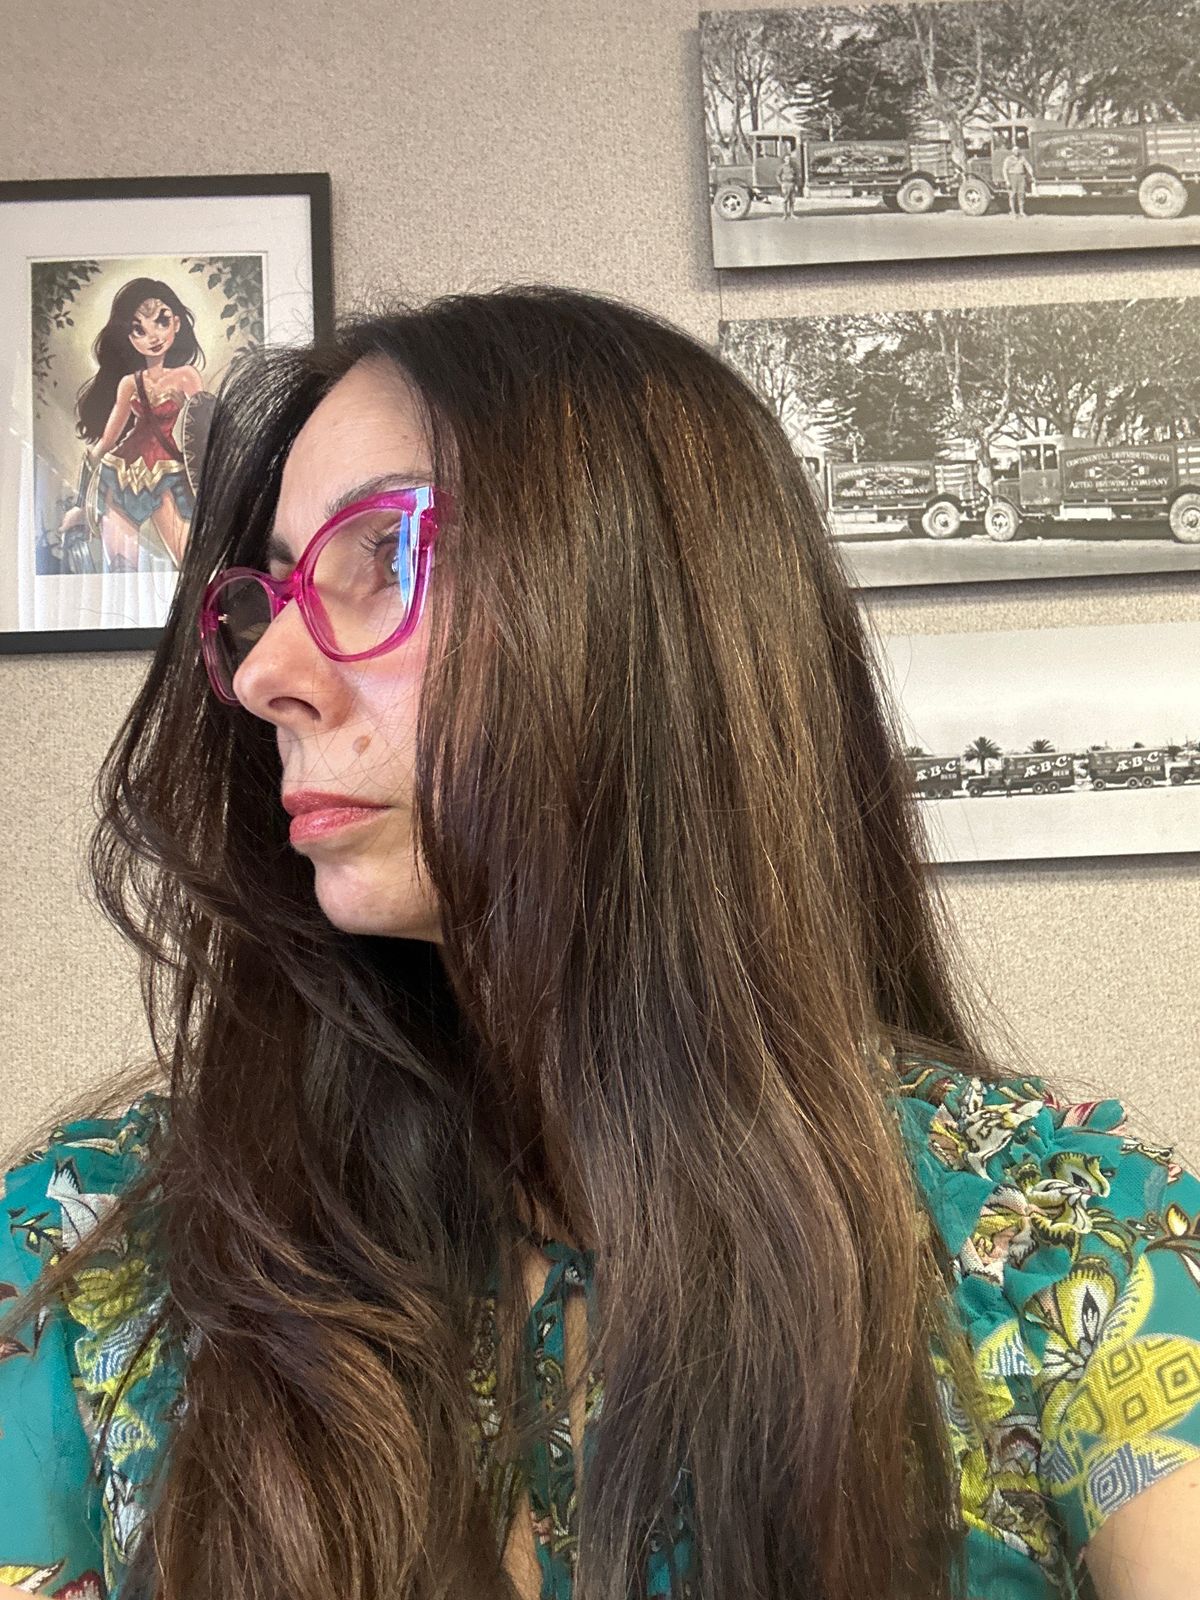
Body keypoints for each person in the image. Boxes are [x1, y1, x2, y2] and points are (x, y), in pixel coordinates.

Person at [1, 285, 1198, 1600]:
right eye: (268, 598)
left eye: (386, 557)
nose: (260, 673)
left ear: (657, 619)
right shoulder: (90, 1257)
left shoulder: (1058, 1243)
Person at [1001, 144, 1035, 217]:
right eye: (1014, 150)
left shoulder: (1022, 158)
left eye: (1017, 150)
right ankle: (1013, 212)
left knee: (1021, 194)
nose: (1016, 151)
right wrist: (1007, 180)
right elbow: (1004, 170)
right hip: (1012, 177)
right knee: (1012, 195)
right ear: (1012, 151)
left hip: (1021, 177)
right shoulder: (1008, 159)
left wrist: (1031, 174)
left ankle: (1021, 211)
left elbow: (1028, 166)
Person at [777, 146, 801, 219]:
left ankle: (792, 214)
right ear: (784, 159)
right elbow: (777, 176)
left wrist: (796, 185)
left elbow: (795, 176)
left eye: (789, 159)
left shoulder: (792, 167)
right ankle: (785, 215)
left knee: (792, 200)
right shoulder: (782, 167)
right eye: (787, 159)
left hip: (792, 184)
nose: (788, 160)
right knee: (785, 200)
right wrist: (781, 184)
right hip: (785, 184)